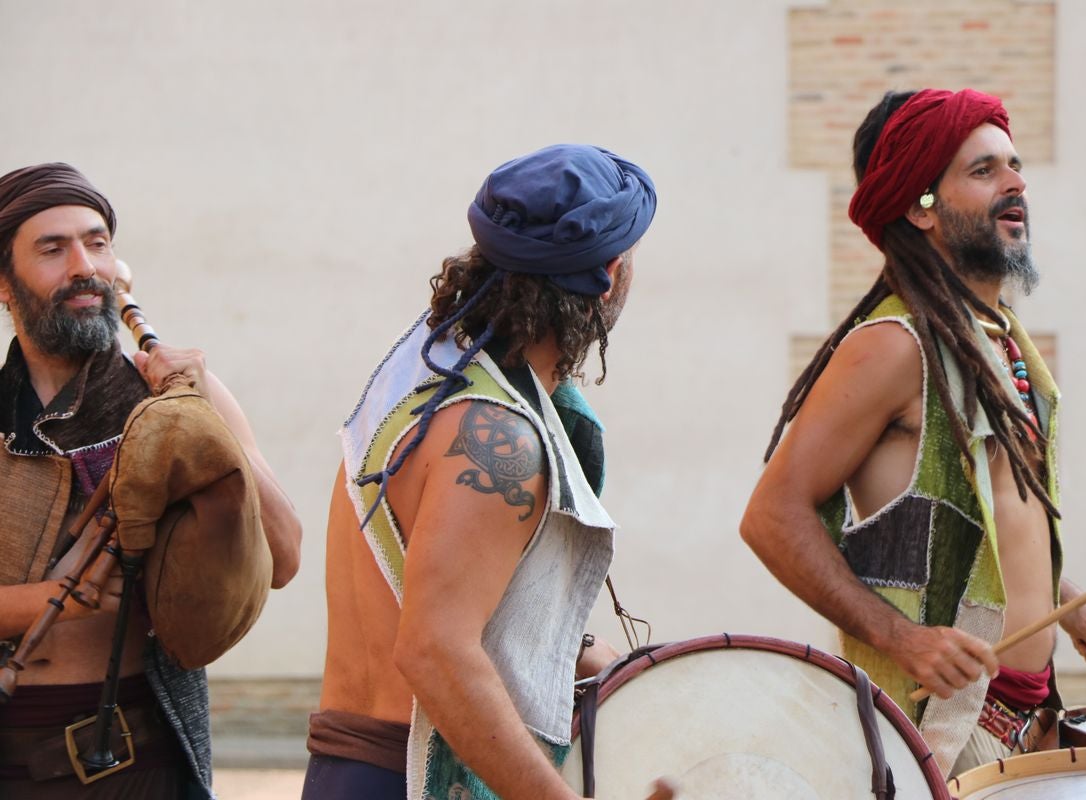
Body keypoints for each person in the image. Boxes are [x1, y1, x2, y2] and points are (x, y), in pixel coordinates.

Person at [739, 89, 1086, 776]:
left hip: (1027, 723)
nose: (1016, 185)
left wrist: (1065, 602)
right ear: (920, 207)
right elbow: (771, 517)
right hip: (940, 737)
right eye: (984, 172)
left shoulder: (997, 343)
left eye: (1014, 165)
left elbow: (995, 524)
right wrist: (903, 638)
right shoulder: (893, 348)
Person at [306, 144, 673, 800]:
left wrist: (590, 659)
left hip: (350, 767)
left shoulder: (430, 365)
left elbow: (456, 595)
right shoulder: (499, 435)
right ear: (610, 274)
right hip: (410, 778)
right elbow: (435, 651)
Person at [0, 162, 303, 798]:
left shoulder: (177, 394)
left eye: (98, 242)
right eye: (53, 249)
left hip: (138, 755)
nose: (85, 265)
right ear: (5, 284)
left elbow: (282, 555)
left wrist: (197, 413)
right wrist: (56, 598)